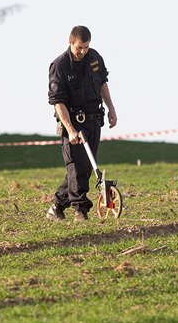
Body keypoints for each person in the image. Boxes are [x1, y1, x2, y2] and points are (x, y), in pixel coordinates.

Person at [46, 25, 118, 221]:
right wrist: (70, 130)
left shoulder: (95, 58)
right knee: (76, 167)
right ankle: (80, 210)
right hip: (73, 122)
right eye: (79, 47)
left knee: (85, 167)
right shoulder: (59, 66)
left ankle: (57, 206)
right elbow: (57, 102)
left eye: (86, 47)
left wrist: (111, 108)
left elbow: (103, 82)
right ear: (71, 42)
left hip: (94, 120)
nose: (83, 51)